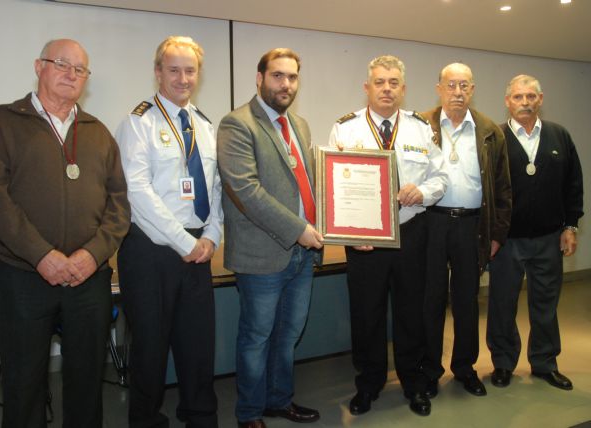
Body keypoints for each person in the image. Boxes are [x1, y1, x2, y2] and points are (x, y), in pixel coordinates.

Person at [0, 39, 130, 427]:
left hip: (88, 279)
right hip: (25, 277)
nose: (71, 74)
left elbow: (119, 204)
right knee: (23, 384)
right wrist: (42, 255)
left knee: (87, 383)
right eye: (62, 64)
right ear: (39, 66)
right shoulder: (1, 123)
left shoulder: (97, 132)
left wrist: (92, 254)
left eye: (80, 70)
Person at [329, 55, 448, 417]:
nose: (386, 88)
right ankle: (369, 384)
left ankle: (412, 382)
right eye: (379, 82)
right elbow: (332, 185)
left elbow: (441, 177)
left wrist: (423, 192)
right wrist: (349, 234)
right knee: (367, 314)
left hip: (412, 232)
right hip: (365, 241)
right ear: (367, 87)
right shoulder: (345, 129)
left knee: (412, 311)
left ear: (403, 88)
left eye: (393, 82)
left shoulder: (420, 129)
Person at [115, 36, 223, 428]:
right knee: (151, 348)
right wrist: (187, 242)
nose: (182, 78)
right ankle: (145, 421)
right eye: (173, 70)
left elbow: (214, 188)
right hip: (151, 251)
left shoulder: (205, 125)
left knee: (198, 345)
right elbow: (137, 193)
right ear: (158, 72)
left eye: (190, 70)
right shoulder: (137, 123)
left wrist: (211, 236)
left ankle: (200, 416)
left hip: (198, 247)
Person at [217, 48, 323, 428]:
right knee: (256, 338)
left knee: (288, 335)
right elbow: (246, 191)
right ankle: (248, 413)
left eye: (292, 77)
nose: (286, 84)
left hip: (302, 255)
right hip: (262, 254)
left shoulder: (301, 125)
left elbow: (307, 184)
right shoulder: (237, 124)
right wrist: (300, 230)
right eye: (278, 76)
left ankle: (279, 400)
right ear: (259, 78)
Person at [420, 63, 512, 398]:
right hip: (431, 223)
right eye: (451, 85)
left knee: (467, 301)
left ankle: (464, 368)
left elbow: (503, 188)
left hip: (473, 226)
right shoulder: (420, 125)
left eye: (464, 86)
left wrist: (497, 234)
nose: (458, 92)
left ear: (472, 90)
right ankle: (429, 370)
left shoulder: (489, 130)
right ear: (439, 88)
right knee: (430, 299)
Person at [486, 74, 583, 390]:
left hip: (548, 238)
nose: (524, 102)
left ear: (540, 99)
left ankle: (544, 363)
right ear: (507, 101)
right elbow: (485, 190)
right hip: (506, 240)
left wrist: (570, 226)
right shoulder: (494, 138)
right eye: (518, 97)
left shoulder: (559, 136)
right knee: (501, 304)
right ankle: (502, 363)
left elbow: (573, 185)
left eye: (530, 96)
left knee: (545, 305)